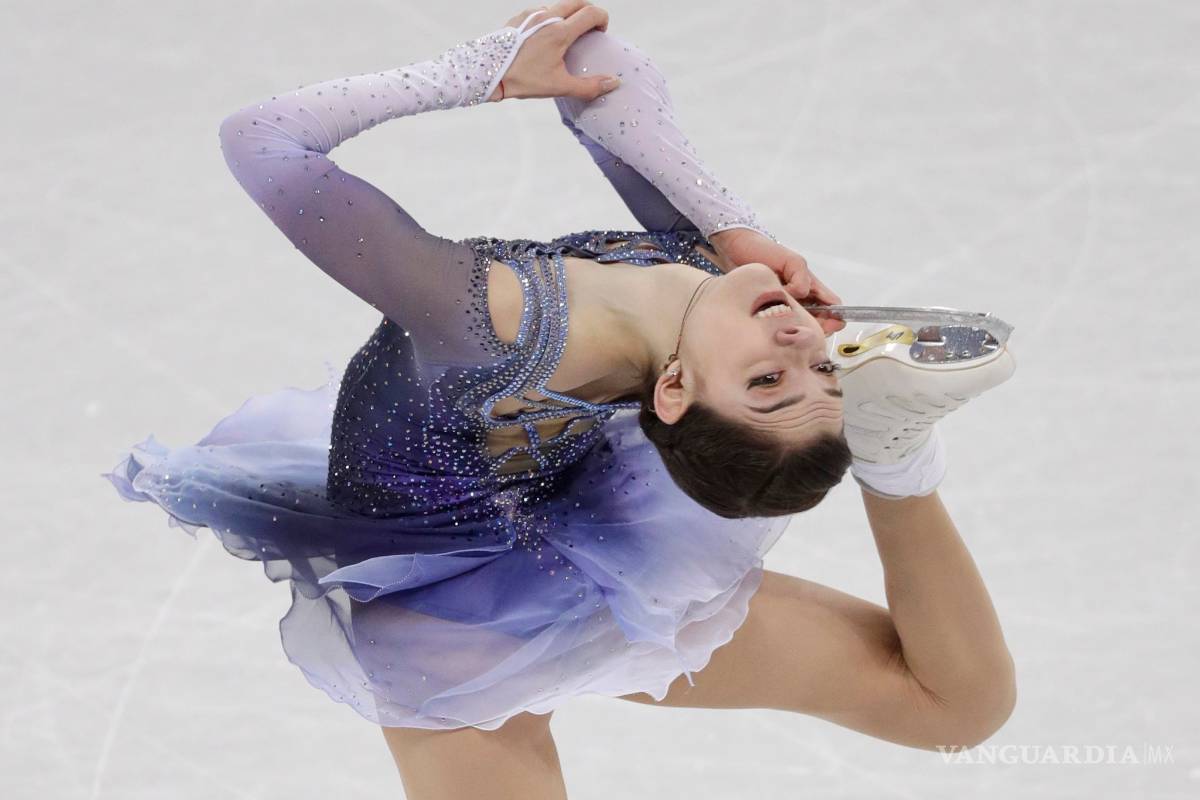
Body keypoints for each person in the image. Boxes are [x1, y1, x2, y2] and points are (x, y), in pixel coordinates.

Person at [101, 3, 1017, 797]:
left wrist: (477, 74)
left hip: (460, 614)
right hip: (501, 545)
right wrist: (732, 226)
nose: (802, 344)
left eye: (773, 380)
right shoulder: (704, 270)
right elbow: (603, 75)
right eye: (822, 371)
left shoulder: (483, 319)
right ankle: (870, 437)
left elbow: (260, 140)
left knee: (959, 706)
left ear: (674, 387)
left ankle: (889, 450)